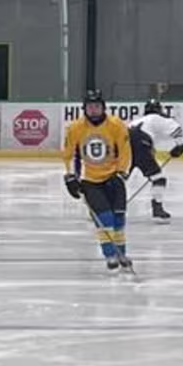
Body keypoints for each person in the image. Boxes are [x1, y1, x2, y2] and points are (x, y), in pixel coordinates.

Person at [62, 89, 134, 271]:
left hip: (113, 177)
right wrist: (71, 176)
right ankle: (110, 254)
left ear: (103, 107)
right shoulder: (75, 128)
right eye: (90, 107)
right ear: (84, 108)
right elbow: (69, 154)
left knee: (118, 219)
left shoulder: (116, 125)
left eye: (97, 106)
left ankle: (121, 252)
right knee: (105, 218)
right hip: (90, 181)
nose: (93, 110)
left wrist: (121, 172)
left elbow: (125, 150)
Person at [129, 98, 183, 223]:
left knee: (118, 177)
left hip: (125, 143)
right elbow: (176, 129)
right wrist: (180, 145)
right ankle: (157, 208)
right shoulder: (157, 118)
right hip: (142, 143)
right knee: (158, 178)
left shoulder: (136, 121)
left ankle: (103, 207)